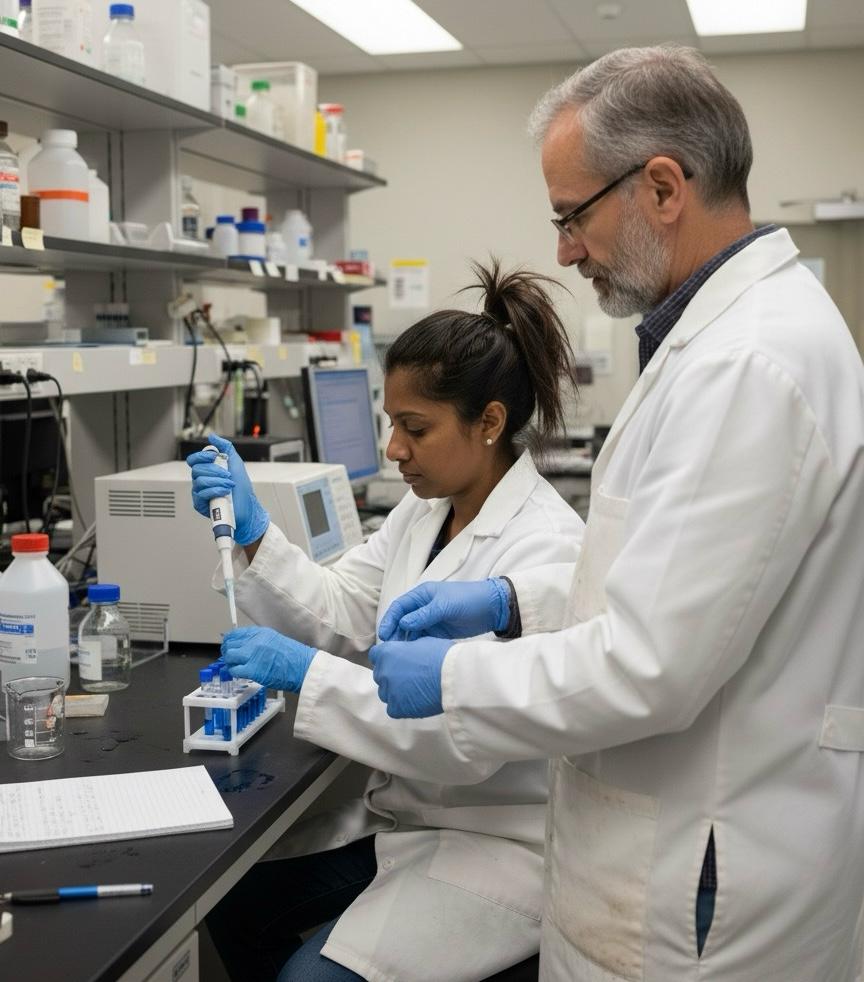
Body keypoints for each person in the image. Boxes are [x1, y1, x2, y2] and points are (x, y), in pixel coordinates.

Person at [370, 45, 864, 982]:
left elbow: (652, 666)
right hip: (688, 840)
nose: (562, 250)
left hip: (699, 873)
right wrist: (517, 606)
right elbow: (674, 583)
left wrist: (457, 678)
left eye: (572, 216)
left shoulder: (746, 364)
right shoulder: (715, 342)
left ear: (665, 186)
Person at [186, 260, 585, 982]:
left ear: (489, 422)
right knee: (230, 902)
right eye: (390, 424)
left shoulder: (545, 547)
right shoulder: (425, 507)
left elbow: (459, 740)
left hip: (496, 842)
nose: (395, 449)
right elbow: (343, 608)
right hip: (408, 820)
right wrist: (254, 535)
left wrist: (307, 674)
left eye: (415, 428)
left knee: (308, 979)